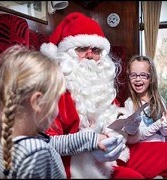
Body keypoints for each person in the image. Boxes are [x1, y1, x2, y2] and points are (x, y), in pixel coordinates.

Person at [0, 44, 125, 179]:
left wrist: (93, 139)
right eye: (56, 100)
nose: (58, 108)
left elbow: (53, 143)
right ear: (36, 102)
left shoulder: (9, 136)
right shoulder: (36, 154)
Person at [40, 12, 145, 179]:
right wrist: (93, 144)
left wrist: (130, 128)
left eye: (95, 50)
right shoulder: (55, 91)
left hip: (116, 153)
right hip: (78, 164)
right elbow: (47, 143)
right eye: (81, 49)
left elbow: (114, 123)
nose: (90, 54)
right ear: (66, 53)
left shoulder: (101, 85)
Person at [118, 55, 167, 178]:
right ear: (129, 78)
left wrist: (164, 125)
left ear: (151, 78)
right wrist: (158, 124)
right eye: (133, 75)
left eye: (143, 75)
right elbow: (137, 136)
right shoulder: (129, 104)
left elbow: (165, 134)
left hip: (161, 153)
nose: (138, 79)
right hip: (143, 154)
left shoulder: (160, 100)